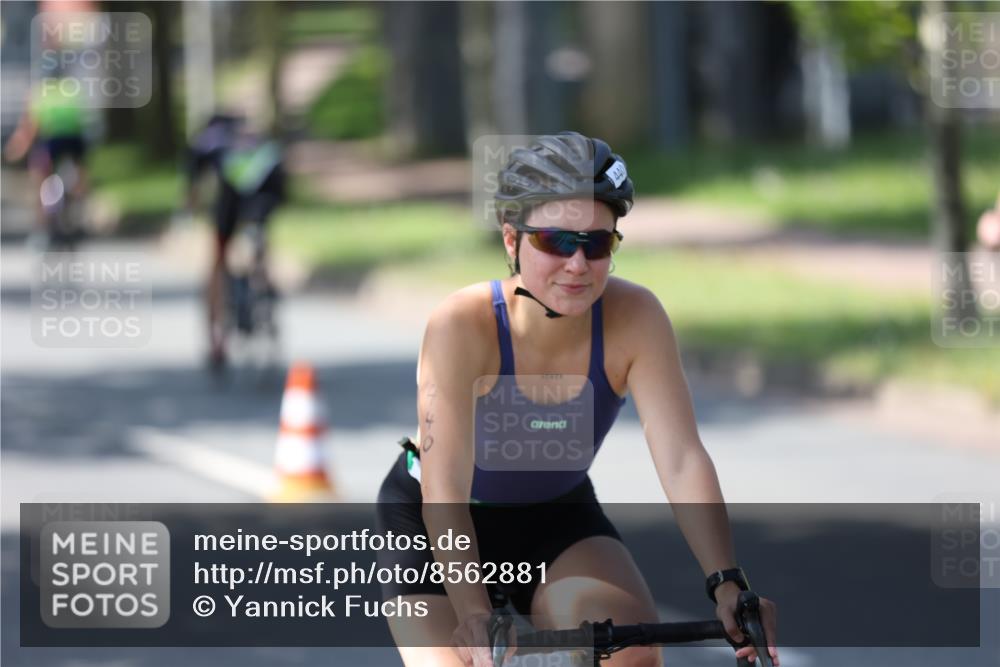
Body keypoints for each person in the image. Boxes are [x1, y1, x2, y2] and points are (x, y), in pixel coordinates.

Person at [375, 132, 778, 667]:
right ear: (511, 240)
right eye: (556, 241)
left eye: (597, 243)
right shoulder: (461, 323)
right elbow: (444, 484)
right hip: (436, 522)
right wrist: (474, 612)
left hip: (554, 516)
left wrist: (727, 583)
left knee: (628, 653)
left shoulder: (636, 317)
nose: (578, 264)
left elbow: (682, 459)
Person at [184, 113, 286, 372]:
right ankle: (264, 281)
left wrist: (189, 208)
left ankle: (217, 341)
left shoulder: (210, 142)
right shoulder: (259, 142)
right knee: (259, 237)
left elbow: (193, 186)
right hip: (266, 193)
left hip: (229, 204)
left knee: (218, 262)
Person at [3, 75, 89, 248]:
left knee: (40, 179)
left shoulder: (37, 93)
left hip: (52, 142)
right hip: (75, 141)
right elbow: (82, 122)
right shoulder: (72, 91)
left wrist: (14, 151)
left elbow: (29, 129)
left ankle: (42, 229)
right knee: (79, 174)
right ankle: (79, 206)